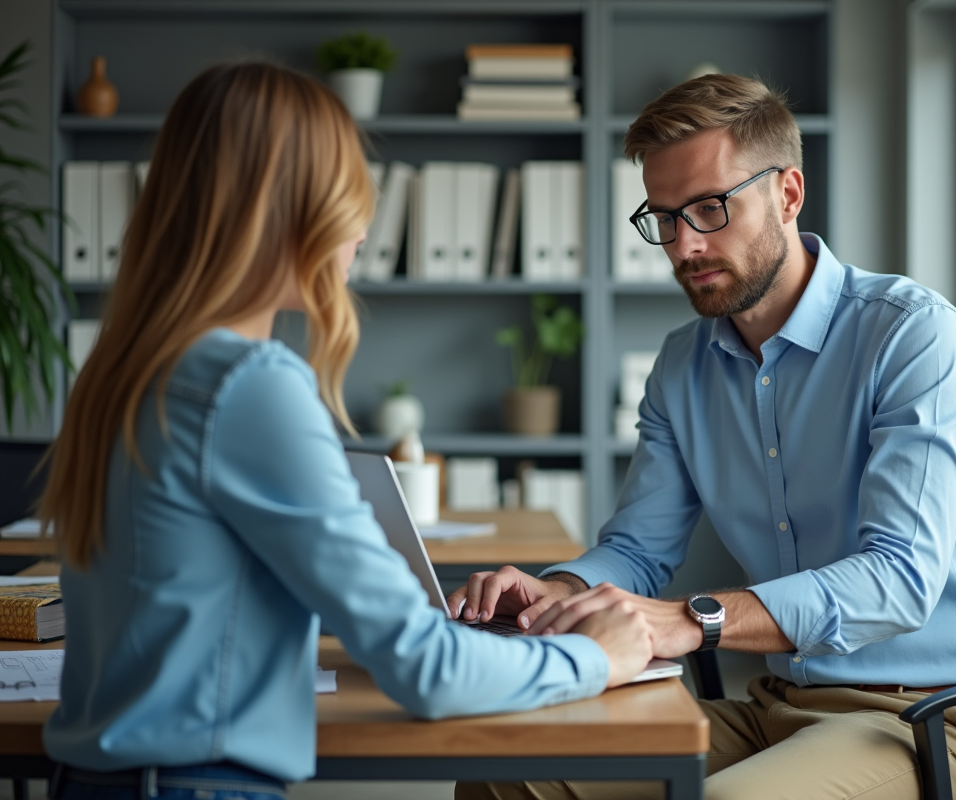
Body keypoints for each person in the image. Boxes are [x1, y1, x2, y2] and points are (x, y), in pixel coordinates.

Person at [36, 61, 653, 800]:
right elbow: (426, 672)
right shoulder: (247, 386)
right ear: (286, 209)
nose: (362, 231)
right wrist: (597, 657)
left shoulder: (124, 372)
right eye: (350, 197)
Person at [453, 74, 956, 800]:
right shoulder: (682, 366)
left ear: (787, 194)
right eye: (663, 218)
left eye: (710, 209)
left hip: (926, 720)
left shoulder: (911, 335)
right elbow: (637, 548)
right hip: (775, 710)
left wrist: (693, 621)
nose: (684, 245)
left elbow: (900, 581)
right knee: (510, 767)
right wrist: (556, 592)